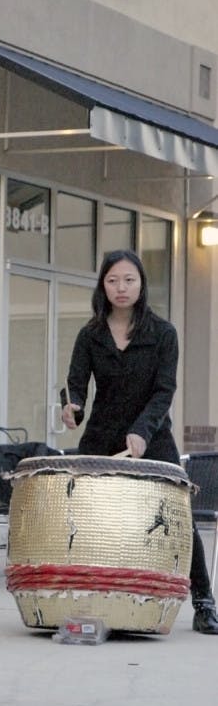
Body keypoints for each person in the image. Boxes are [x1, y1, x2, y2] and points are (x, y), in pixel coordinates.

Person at [61, 249, 218, 634]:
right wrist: (72, 408)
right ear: (103, 285)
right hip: (101, 436)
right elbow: (75, 385)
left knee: (180, 517)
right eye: (113, 280)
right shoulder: (90, 334)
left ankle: (204, 602)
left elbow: (165, 390)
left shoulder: (163, 333)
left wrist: (143, 430)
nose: (121, 288)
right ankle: (86, 596)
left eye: (129, 280)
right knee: (86, 516)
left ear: (142, 284)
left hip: (152, 436)